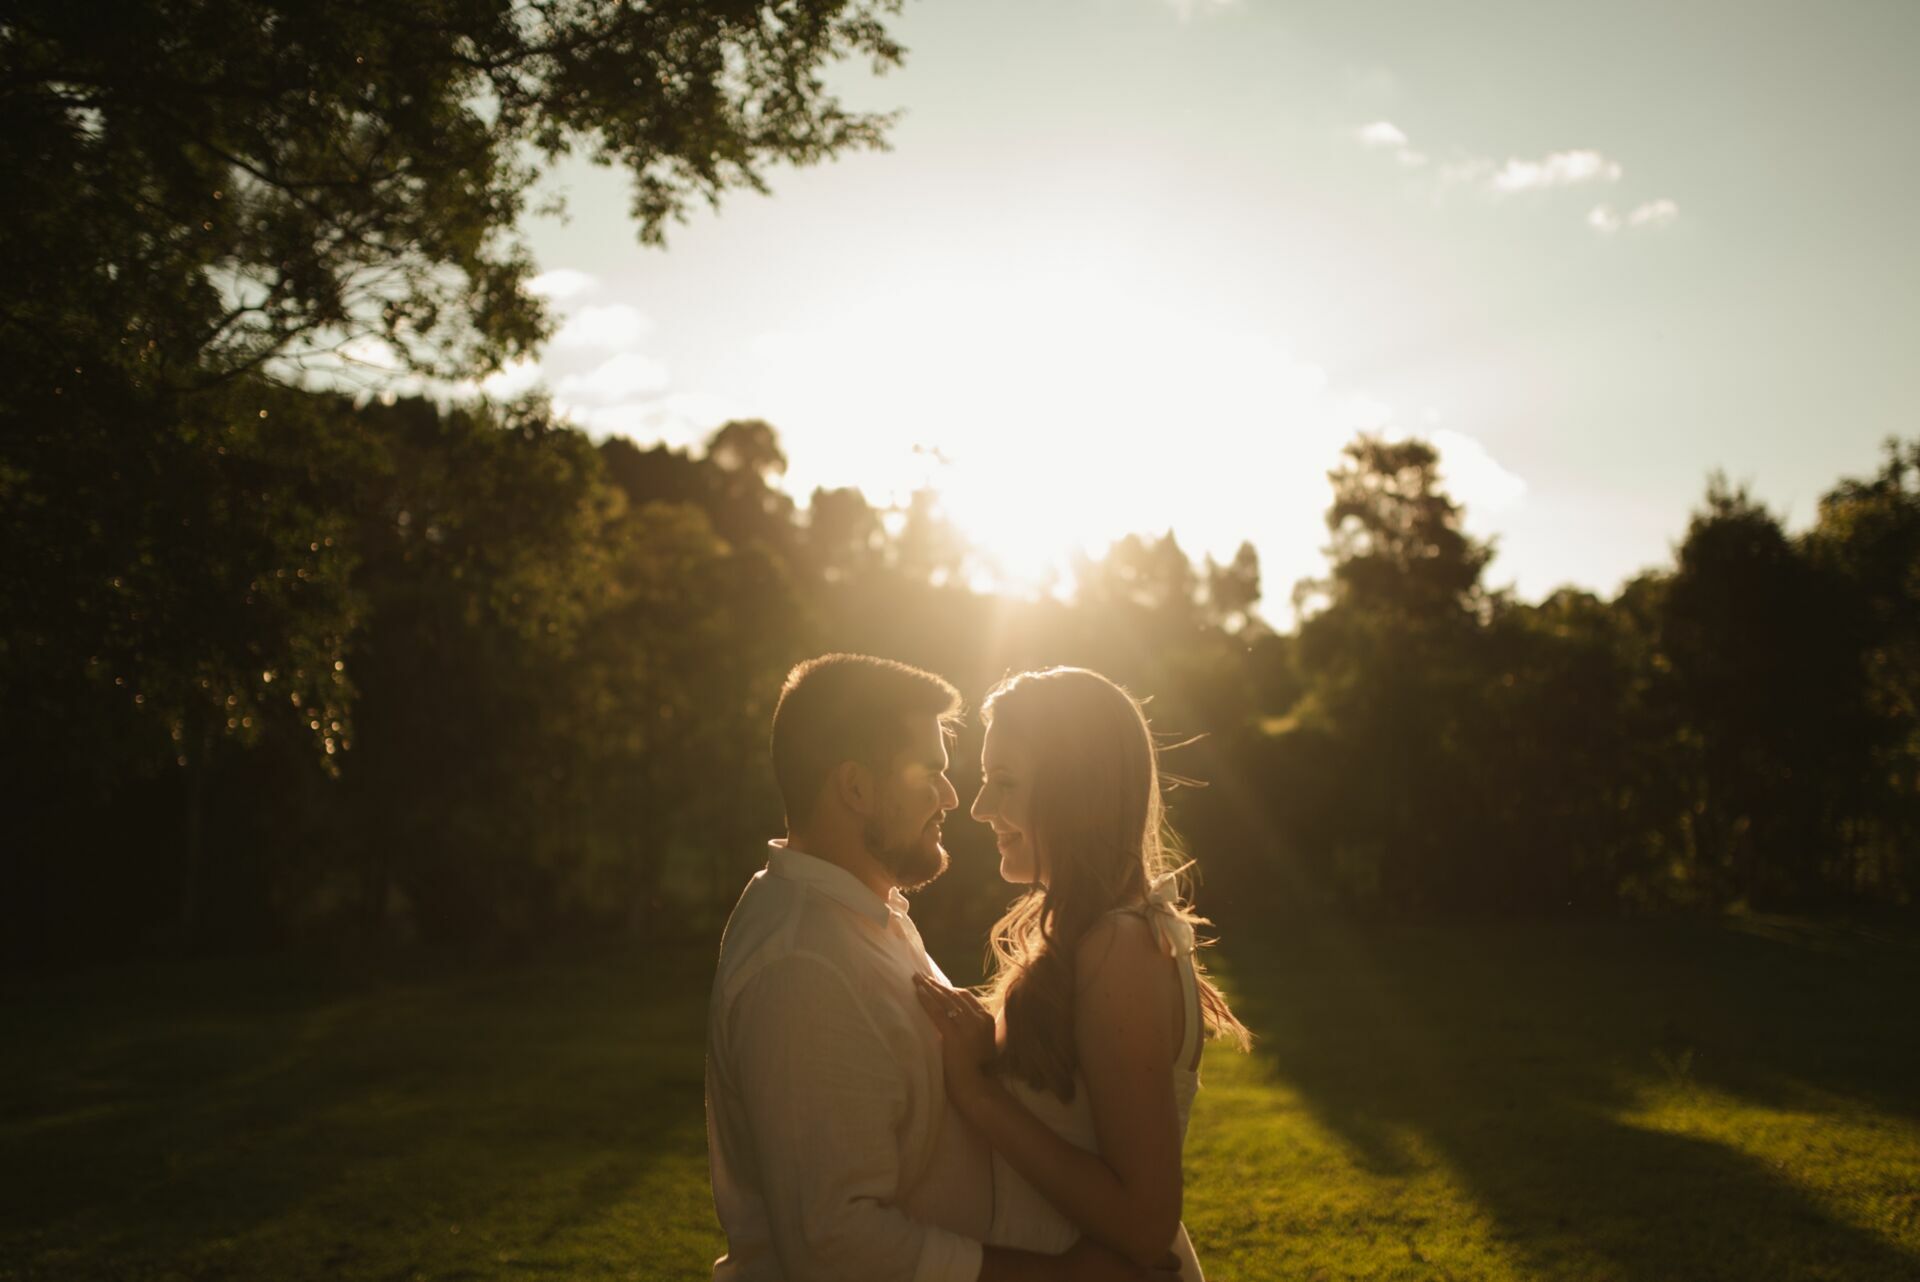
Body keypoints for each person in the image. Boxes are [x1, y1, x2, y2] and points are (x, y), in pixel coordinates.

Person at [706, 653, 1174, 1281]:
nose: (960, 800)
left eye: (996, 779)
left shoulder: (866, 918)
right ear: (857, 789)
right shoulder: (801, 965)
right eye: (932, 772)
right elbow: (834, 1245)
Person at [911, 667, 1251, 1281]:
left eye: (1005, 782)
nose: (982, 808)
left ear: (1078, 793)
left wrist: (977, 1093)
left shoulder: (1118, 947)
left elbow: (1146, 1225)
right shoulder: (1086, 937)